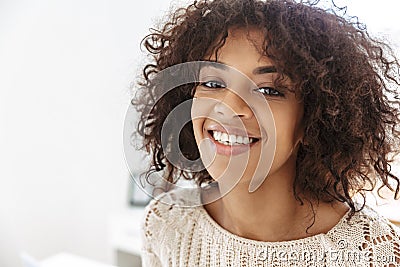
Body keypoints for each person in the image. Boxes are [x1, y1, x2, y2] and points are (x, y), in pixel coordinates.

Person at [132, 0, 400, 265]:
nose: (230, 107)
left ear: (314, 120)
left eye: (268, 90)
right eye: (213, 83)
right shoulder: (166, 222)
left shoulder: (371, 254)